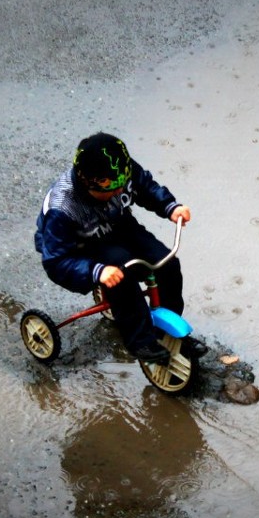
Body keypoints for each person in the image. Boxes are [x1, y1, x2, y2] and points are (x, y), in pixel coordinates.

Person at [34, 132, 206, 364]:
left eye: (121, 187)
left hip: (119, 225)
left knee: (167, 263)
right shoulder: (63, 208)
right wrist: (96, 271)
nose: (119, 193)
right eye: (110, 191)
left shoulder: (121, 171)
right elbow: (55, 261)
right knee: (120, 274)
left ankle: (168, 327)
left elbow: (145, 186)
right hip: (82, 245)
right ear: (88, 184)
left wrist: (170, 206)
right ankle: (140, 341)